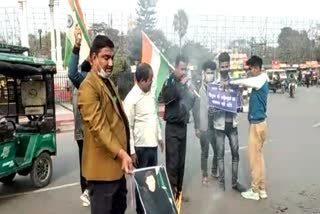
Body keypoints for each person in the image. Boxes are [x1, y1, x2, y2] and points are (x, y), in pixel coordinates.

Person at [77, 35, 133, 214]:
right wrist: (122, 153)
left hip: (117, 169)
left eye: (112, 58)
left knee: (119, 209)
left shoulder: (107, 82)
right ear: (93, 58)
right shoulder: (88, 87)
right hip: (102, 175)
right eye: (105, 57)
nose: (110, 63)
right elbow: (99, 127)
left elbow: (119, 119)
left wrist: (129, 150)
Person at [124, 63, 164, 214]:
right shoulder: (131, 99)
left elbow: (154, 117)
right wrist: (132, 151)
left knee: (152, 181)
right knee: (142, 182)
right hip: (141, 148)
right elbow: (129, 127)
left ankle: (151, 208)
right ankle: (141, 210)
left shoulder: (150, 94)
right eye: (149, 80)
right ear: (140, 80)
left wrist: (159, 137)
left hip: (152, 145)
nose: (152, 82)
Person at [230, 55, 269, 201]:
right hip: (261, 123)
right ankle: (262, 189)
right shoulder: (260, 83)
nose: (250, 71)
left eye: (252, 68)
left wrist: (231, 83)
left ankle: (254, 190)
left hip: (256, 126)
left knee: (254, 159)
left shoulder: (260, 79)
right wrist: (240, 109)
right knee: (259, 159)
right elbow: (252, 107)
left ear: (257, 68)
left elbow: (245, 81)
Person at [162, 55, 195, 203]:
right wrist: (181, 85)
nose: (184, 72)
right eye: (181, 69)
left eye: (185, 69)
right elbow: (168, 97)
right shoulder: (169, 81)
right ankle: (171, 193)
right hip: (172, 128)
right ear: (175, 67)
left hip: (183, 126)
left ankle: (179, 193)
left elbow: (190, 103)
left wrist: (192, 93)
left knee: (181, 162)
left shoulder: (186, 83)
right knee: (172, 163)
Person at [67, 24, 92, 207]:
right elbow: (72, 73)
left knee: (88, 161)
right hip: (84, 131)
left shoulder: (97, 83)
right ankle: (87, 190)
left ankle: (88, 190)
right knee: (86, 161)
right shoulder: (83, 81)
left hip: (87, 131)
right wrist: (76, 45)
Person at [213, 52, 244, 192]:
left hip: (233, 124)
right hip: (219, 125)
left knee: (235, 154)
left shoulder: (235, 84)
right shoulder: (213, 85)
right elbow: (210, 107)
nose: (225, 68)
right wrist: (215, 104)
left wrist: (237, 99)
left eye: (227, 66)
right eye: (222, 66)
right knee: (219, 155)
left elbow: (240, 105)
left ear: (229, 66)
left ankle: (234, 183)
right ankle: (221, 184)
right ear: (219, 67)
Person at [193, 60, 218, 186]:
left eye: (212, 73)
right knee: (205, 152)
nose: (210, 75)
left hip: (216, 125)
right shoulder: (198, 89)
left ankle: (214, 170)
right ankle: (204, 175)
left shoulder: (218, 88)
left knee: (218, 150)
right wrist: (196, 127)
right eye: (208, 73)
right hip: (203, 126)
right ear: (203, 73)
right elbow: (195, 109)